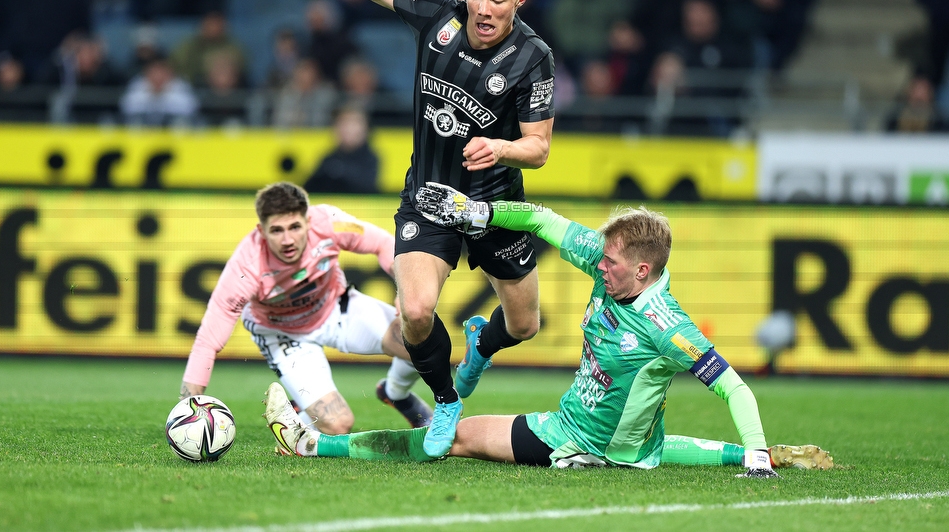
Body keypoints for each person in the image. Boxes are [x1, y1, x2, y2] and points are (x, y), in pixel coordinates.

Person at [263, 184, 833, 475]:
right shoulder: (610, 264)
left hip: (570, 436)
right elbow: (540, 219)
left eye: (610, 263)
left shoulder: (668, 325)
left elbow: (733, 384)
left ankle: (316, 444)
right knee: (649, 450)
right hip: (637, 448)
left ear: (643, 270)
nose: (598, 266)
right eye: (602, 257)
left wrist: (754, 450)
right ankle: (486, 347)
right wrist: (482, 213)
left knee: (456, 437)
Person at [274, 0, 555, 458]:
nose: (483, 8)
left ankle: (480, 348)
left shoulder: (533, 58)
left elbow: (538, 148)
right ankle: (446, 400)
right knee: (417, 312)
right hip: (428, 201)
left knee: (524, 325)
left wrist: (500, 147)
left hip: (495, 208)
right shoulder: (437, 16)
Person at [180, 182, 433, 434]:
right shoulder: (246, 266)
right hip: (284, 335)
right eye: (277, 230)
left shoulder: (329, 222)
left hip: (337, 307)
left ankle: (395, 393)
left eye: (294, 227)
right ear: (261, 230)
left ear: (308, 221)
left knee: (423, 340)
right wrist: (188, 407)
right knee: (338, 424)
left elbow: (384, 243)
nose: (287, 240)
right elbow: (208, 340)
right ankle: (301, 410)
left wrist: (405, 289)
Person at [304, 106, 380, 194]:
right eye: (343, 124)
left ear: (365, 128)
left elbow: (366, 186)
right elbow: (309, 187)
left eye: (353, 124)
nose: (348, 129)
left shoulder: (370, 159)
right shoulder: (329, 159)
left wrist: (339, 171)